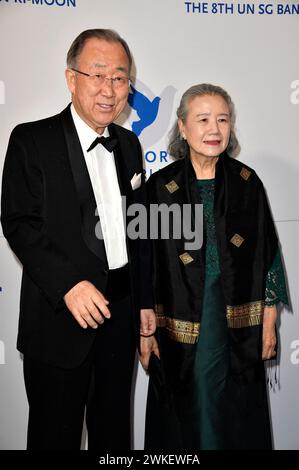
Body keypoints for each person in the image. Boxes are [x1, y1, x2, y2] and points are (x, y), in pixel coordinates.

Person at [1, 29, 156, 450]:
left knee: (114, 437)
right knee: (55, 437)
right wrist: (68, 283)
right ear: (72, 78)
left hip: (121, 318)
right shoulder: (31, 140)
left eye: (120, 78)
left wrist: (144, 302)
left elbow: (139, 229)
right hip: (58, 321)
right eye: (97, 75)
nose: (109, 90)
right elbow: (19, 222)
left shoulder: (129, 143)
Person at [144, 84, 288, 450]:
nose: (214, 129)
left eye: (222, 119)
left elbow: (267, 253)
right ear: (182, 126)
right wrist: (144, 330)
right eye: (203, 119)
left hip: (240, 317)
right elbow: (145, 264)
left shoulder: (246, 183)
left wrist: (269, 320)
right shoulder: (162, 187)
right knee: (194, 408)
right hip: (182, 317)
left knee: (237, 410)